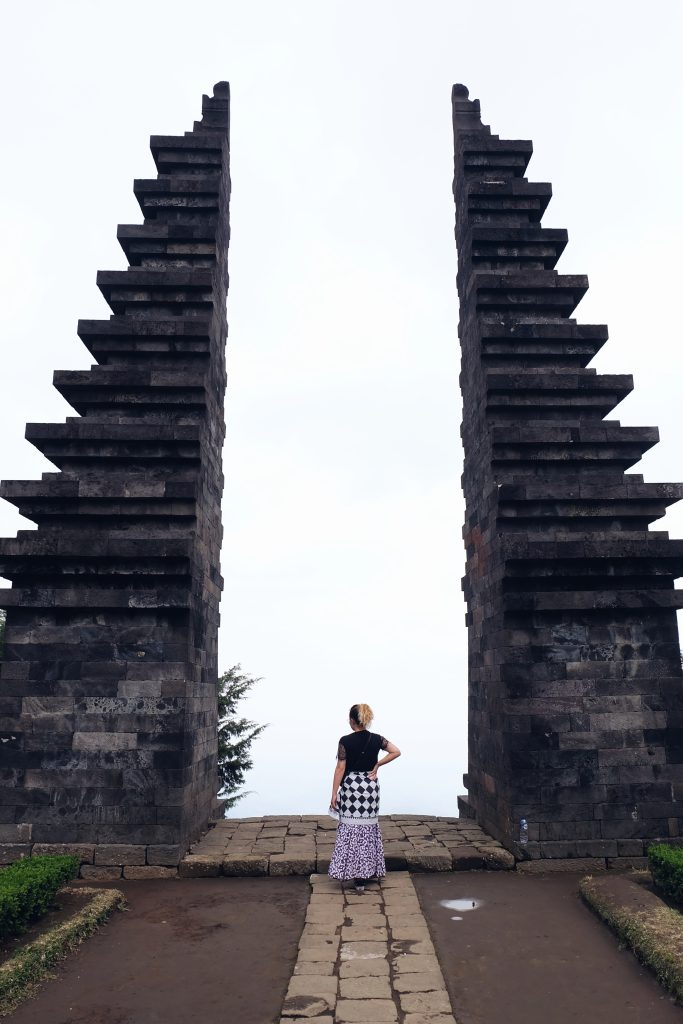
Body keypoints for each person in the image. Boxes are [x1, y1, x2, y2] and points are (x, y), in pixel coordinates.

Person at [328, 703, 401, 894]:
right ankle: (366, 873)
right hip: (370, 787)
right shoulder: (377, 739)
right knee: (368, 830)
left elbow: (340, 768)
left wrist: (334, 793)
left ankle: (351, 873)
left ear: (352, 720)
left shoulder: (345, 740)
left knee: (351, 829)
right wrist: (377, 765)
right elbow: (396, 751)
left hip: (352, 788)